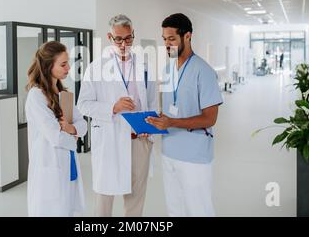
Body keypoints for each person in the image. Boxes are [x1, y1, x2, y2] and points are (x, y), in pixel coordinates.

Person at [77, 14, 158, 217]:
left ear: (133, 35)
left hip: (139, 140)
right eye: (118, 39)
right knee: (104, 197)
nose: (124, 44)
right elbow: (83, 105)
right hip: (110, 140)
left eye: (128, 38)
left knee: (136, 198)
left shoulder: (145, 66)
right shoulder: (96, 68)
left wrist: (150, 129)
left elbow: (153, 102)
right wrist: (112, 107)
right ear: (109, 37)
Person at [146, 13, 223, 217]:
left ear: (187, 36)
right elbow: (173, 105)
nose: (167, 44)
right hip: (169, 152)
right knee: (175, 210)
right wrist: (155, 121)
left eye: (171, 38)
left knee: (199, 211)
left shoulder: (204, 71)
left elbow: (210, 118)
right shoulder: (168, 68)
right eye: (164, 39)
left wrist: (172, 121)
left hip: (194, 156)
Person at [25, 41, 87, 217]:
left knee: (66, 211)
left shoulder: (64, 94)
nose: (68, 68)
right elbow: (56, 137)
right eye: (63, 64)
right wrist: (74, 136)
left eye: (68, 62)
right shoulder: (36, 96)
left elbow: (83, 125)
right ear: (48, 66)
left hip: (68, 165)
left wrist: (71, 128)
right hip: (49, 165)